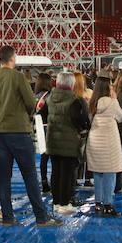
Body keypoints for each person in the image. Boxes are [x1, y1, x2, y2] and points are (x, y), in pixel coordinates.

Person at [0, 46, 62, 227]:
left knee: (3, 177)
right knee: (30, 176)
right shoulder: (18, 78)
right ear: (12, 59)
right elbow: (31, 103)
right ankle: (41, 217)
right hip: (18, 132)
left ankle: (8, 217)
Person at [43, 70, 89, 213]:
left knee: (56, 172)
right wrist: (83, 128)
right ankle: (64, 203)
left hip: (52, 141)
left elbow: (41, 115)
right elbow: (78, 119)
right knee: (67, 174)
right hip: (69, 143)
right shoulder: (74, 100)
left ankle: (57, 202)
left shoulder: (50, 98)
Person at [87, 76, 122, 216]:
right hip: (109, 141)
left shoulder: (93, 102)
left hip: (95, 140)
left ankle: (98, 203)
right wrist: (115, 99)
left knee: (98, 173)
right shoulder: (112, 102)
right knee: (110, 172)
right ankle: (108, 204)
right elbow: (121, 117)